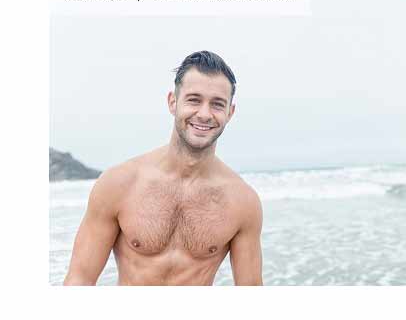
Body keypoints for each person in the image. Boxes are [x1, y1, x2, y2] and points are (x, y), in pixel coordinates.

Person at [65, 51, 262, 286]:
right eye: (194, 100)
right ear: (173, 102)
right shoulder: (119, 184)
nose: (204, 114)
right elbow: (79, 279)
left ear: (230, 112)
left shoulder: (242, 202)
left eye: (217, 104)